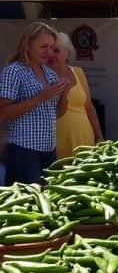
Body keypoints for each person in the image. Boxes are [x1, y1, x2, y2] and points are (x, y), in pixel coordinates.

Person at [0, 22, 70, 184]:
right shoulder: (14, 71)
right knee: (27, 202)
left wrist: (64, 94)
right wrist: (40, 97)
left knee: (49, 198)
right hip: (22, 149)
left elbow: (58, 114)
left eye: (52, 47)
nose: (49, 52)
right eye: (44, 46)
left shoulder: (49, 73)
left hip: (48, 148)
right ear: (28, 45)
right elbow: (3, 113)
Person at [51, 32, 103, 159]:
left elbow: (89, 108)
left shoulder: (78, 72)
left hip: (84, 138)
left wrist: (100, 136)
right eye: (49, 50)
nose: (51, 54)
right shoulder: (42, 75)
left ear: (67, 53)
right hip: (56, 141)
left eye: (56, 50)